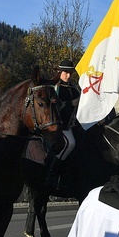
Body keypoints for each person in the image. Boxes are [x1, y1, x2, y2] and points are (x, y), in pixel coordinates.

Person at [45, 59, 81, 188]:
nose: (68, 75)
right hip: (58, 125)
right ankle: (52, 174)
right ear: (59, 72)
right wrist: (71, 103)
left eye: (70, 72)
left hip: (73, 124)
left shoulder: (74, 87)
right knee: (70, 143)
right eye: (66, 72)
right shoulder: (54, 88)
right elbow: (53, 108)